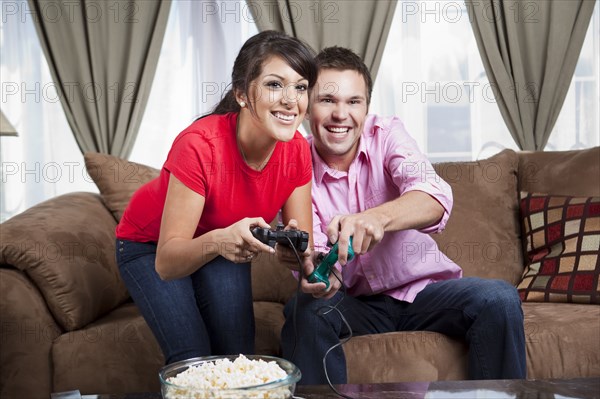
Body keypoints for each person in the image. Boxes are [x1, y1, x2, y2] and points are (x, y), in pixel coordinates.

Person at [280, 46, 526, 385]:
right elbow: (319, 262)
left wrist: (376, 218)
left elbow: (434, 196)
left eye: (354, 102)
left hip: (423, 294)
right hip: (353, 304)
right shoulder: (293, 164)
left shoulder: (388, 135)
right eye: (327, 101)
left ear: (366, 108)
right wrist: (320, 273)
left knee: (498, 298)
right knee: (303, 312)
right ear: (307, 108)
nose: (341, 114)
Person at [115, 30, 316, 365]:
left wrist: (300, 257)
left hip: (224, 240)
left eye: (300, 87)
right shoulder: (199, 145)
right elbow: (166, 263)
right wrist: (217, 242)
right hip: (150, 245)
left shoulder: (297, 150)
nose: (291, 100)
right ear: (241, 94)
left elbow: (299, 247)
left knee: (237, 357)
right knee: (192, 359)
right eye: (274, 84)